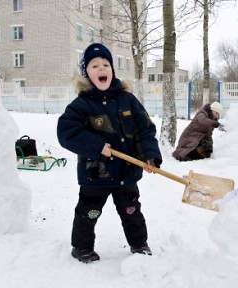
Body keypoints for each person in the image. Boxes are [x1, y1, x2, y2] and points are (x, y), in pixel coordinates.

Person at [57, 43, 162, 264]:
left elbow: (145, 128)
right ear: (87, 73)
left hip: (127, 172)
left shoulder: (127, 99)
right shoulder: (82, 104)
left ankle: (139, 244)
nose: (101, 68)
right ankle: (81, 247)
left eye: (106, 64)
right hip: (97, 174)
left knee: (132, 211)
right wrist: (96, 145)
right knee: (88, 212)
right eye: (94, 65)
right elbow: (66, 131)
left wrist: (149, 156)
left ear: (112, 69)